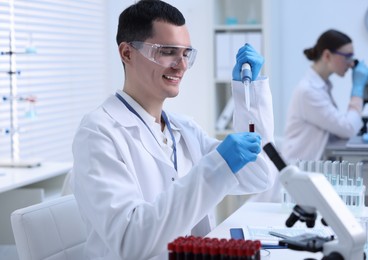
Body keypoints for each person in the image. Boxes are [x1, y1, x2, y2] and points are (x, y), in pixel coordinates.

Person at [70, 0, 275, 259]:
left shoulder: (183, 129)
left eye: (186, 53)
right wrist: (217, 166)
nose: (182, 65)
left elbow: (258, 175)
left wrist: (249, 92)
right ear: (127, 53)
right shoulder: (98, 133)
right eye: (167, 51)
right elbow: (132, 241)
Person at [281, 29, 368, 162]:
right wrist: (357, 91)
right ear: (327, 55)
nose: (351, 63)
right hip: (298, 172)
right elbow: (348, 128)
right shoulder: (309, 91)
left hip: (312, 167)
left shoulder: (322, 86)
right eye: (347, 57)